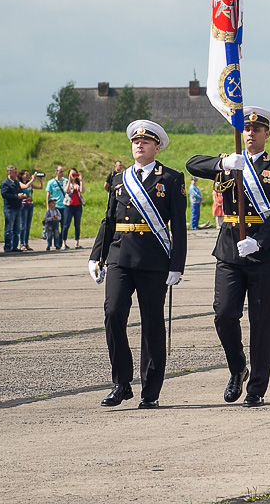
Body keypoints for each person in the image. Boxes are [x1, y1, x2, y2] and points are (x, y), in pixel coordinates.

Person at [187, 106, 270, 407]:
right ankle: (238, 369)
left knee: (261, 323)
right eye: (246, 129)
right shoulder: (232, 162)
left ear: (266, 134)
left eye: (256, 130)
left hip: (263, 253)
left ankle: (257, 387)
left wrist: (259, 241)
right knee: (223, 314)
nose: (250, 134)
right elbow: (191, 164)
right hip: (230, 249)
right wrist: (222, 163)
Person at [88, 120, 187, 409]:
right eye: (135, 141)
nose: (139, 145)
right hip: (120, 256)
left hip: (154, 259)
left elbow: (178, 227)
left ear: (157, 147)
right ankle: (121, 382)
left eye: (145, 142)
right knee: (113, 313)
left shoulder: (170, 179)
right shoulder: (120, 179)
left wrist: (176, 265)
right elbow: (109, 220)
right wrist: (97, 255)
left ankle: (150, 391)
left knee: (152, 324)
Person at [45, 166, 68, 250]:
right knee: (54, 227)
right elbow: (48, 194)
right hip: (55, 206)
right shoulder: (51, 182)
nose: (62, 173)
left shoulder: (66, 181)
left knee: (64, 225)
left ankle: (62, 242)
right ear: (56, 172)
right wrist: (48, 207)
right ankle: (53, 243)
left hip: (65, 205)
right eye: (60, 171)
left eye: (63, 171)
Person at [1, 165, 22, 252]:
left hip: (18, 208)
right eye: (14, 172)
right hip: (9, 208)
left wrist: (22, 195)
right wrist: (16, 196)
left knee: (16, 229)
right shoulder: (5, 184)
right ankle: (7, 246)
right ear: (9, 173)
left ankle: (14, 246)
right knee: (9, 229)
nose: (16, 174)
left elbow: (20, 190)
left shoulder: (16, 183)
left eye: (16, 172)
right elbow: (5, 195)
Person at [62, 168, 84, 249]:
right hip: (69, 205)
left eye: (75, 174)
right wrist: (69, 180)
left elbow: (82, 190)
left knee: (77, 225)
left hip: (78, 205)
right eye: (72, 174)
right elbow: (66, 190)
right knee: (66, 224)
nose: (73, 176)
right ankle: (64, 243)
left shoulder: (78, 183)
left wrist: (81, 181)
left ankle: (77, 243)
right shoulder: (66, 182)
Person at [18, 170, 35, 250]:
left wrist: (40, 181)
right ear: (21, 176)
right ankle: (21, 244)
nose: (28, 176)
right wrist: (32, 180)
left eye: (28, 175)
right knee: (23, 225)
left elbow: (40, 187)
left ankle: (26, 243)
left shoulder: (30, 183)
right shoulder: (19, 183)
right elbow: (25, 187)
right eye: (26, 175)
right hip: (23, 205)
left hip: (30, 205)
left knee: (28, 225)